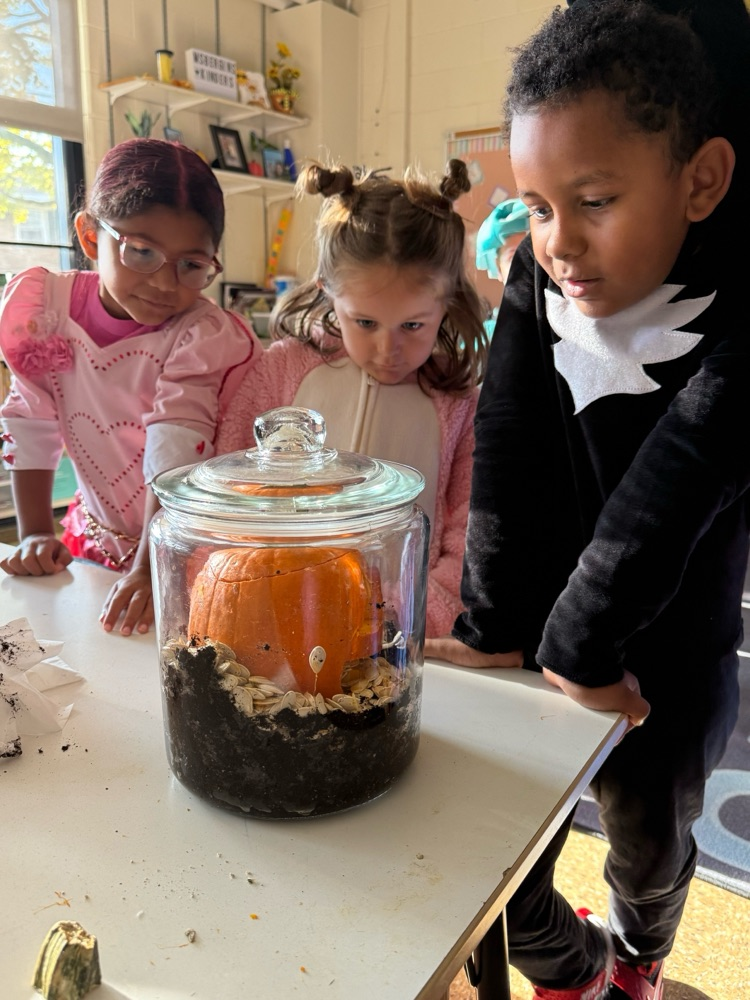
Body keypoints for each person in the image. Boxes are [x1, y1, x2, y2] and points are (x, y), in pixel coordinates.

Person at [425, 1, 750, 998]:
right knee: (506, 828)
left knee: (650, 841)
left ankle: (642, 957)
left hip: (671, 658)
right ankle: (569, 960)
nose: (559, 240)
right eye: (538, 201)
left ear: (701, 181)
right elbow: (511, 443)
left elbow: (675, 479)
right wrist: (491, 622)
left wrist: (583, 646)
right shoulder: (535, 276)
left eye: (595, 199)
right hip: (540, 633)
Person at [216, 159, 489, 637]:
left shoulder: (458, 401)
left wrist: (415, 616)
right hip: (275, 618)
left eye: (413, 325)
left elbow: (467, 530)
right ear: (328, 294)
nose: (388, 350)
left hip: (398, 633)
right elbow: (228, 488)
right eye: (364, 322)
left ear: (447, 303)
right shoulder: (281, 370)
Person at [0, 138, 260, 636]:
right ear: (91, 237)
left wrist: (150, 566)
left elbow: (176, 448)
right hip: (88, 543)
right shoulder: (44, 310)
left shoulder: (199, 334)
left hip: (180, 550)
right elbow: (30, 419)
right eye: (142, 252)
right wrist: (34, 531)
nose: (166, 283)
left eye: (192, 264)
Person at [475, 196, 530, 336]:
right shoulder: (488, 339)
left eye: (534, 253)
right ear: (498, 269)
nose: (530, 264)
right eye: (514, 257)